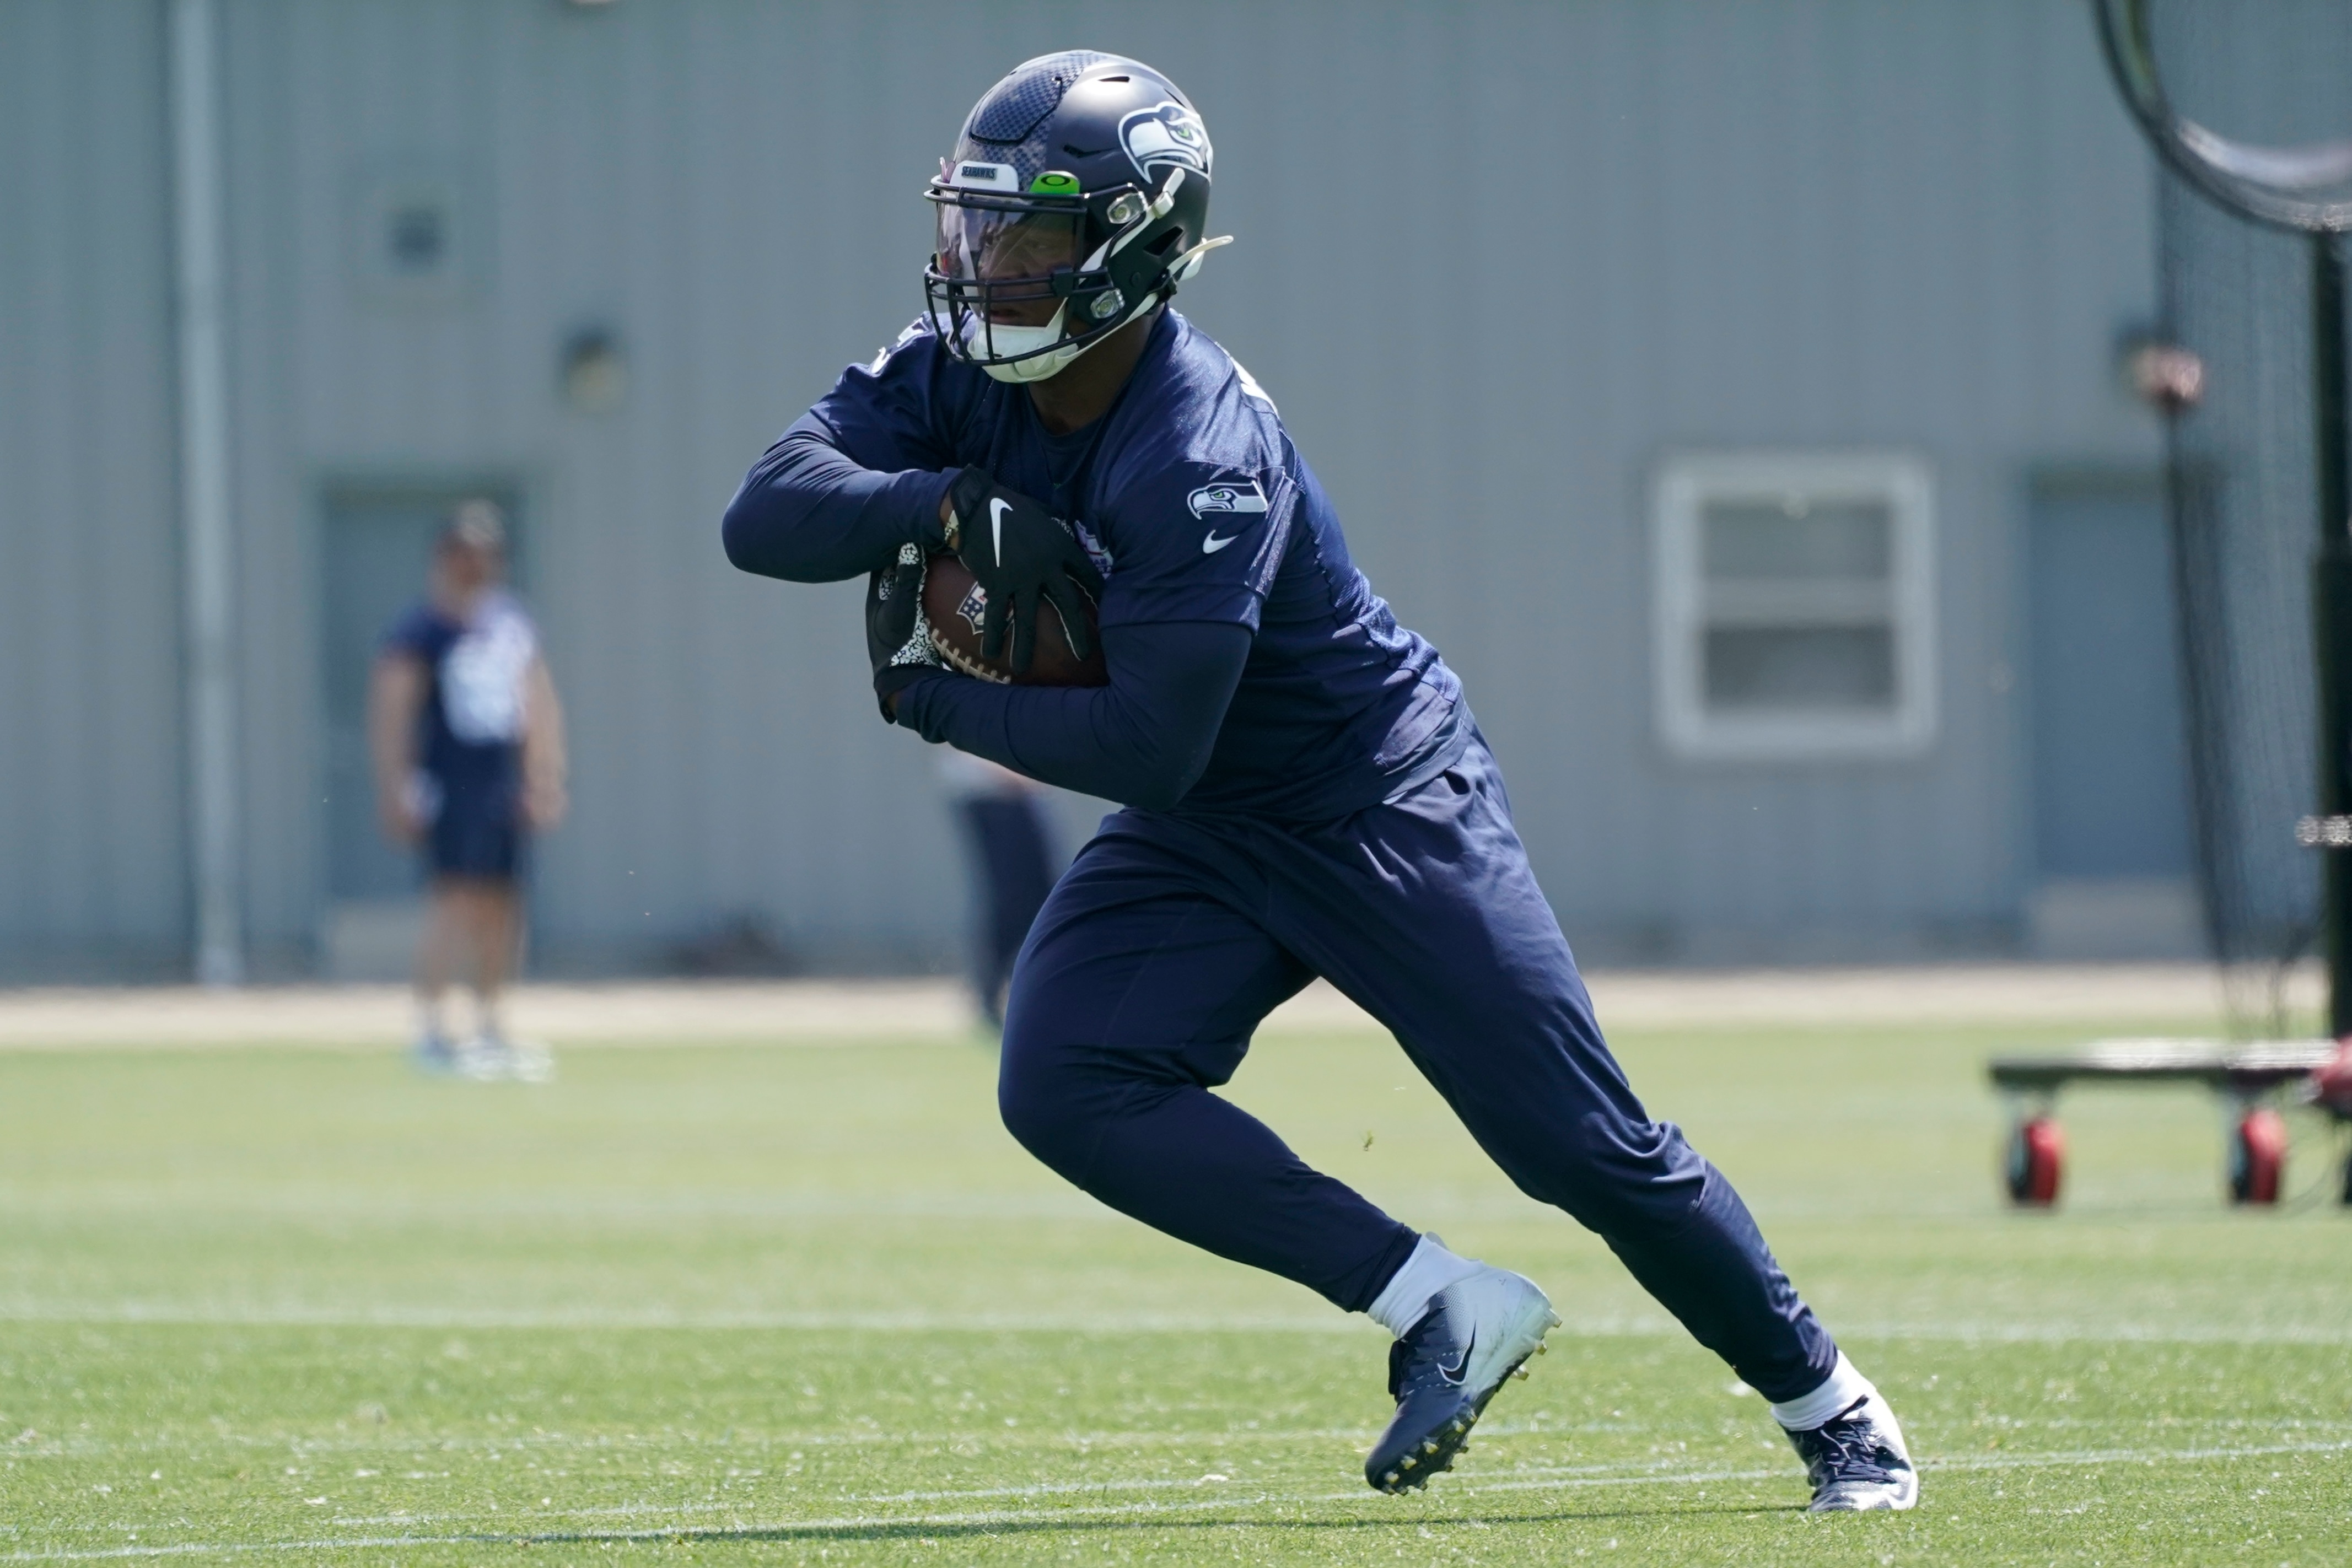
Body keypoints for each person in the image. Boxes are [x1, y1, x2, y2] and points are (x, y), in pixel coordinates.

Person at [720, 53, 1917, 1510]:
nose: (988, 266)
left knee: (1577, 1145)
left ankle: (1836, 1407)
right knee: (1063, 1076)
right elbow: (764, 509)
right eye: (978, 228)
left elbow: (1148, 742)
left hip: (1370, 798)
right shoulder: (957, 371)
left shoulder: (1201, 446)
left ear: (1132, 249)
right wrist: (939, 499)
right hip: (1215, 824)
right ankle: (1435, 1302)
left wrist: (938, 702)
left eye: (1028, 237)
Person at [369, 500, 566, 1081]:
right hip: (449, 779)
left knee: (503, 907)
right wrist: (396, 785)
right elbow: (392, 712)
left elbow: (539, 704)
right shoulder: (421, 630)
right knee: (455, 902)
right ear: (445, 558)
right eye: (467, 554)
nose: (478, 565)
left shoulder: (510, 624)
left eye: (488, 554)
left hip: (499, 777)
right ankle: (433, 1029)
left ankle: (492, 1025)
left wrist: (545, 775)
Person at [939, 752, 1061, 1028]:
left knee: (1041, 897)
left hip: (1020, 795)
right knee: (1011, 900)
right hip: (994, 795)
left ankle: (1026, 987)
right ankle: (990, 995)